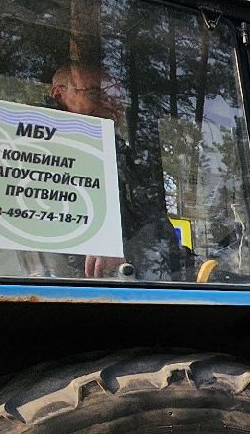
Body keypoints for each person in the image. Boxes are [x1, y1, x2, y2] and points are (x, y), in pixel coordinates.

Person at [49, 62, 191, 281]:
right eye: (95, 92)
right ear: (58, 94)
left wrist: (192, 267)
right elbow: (41, 231)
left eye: (114, 95)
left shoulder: (126, 158)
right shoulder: (38, 149)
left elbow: (154, 227)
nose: (110, 102)